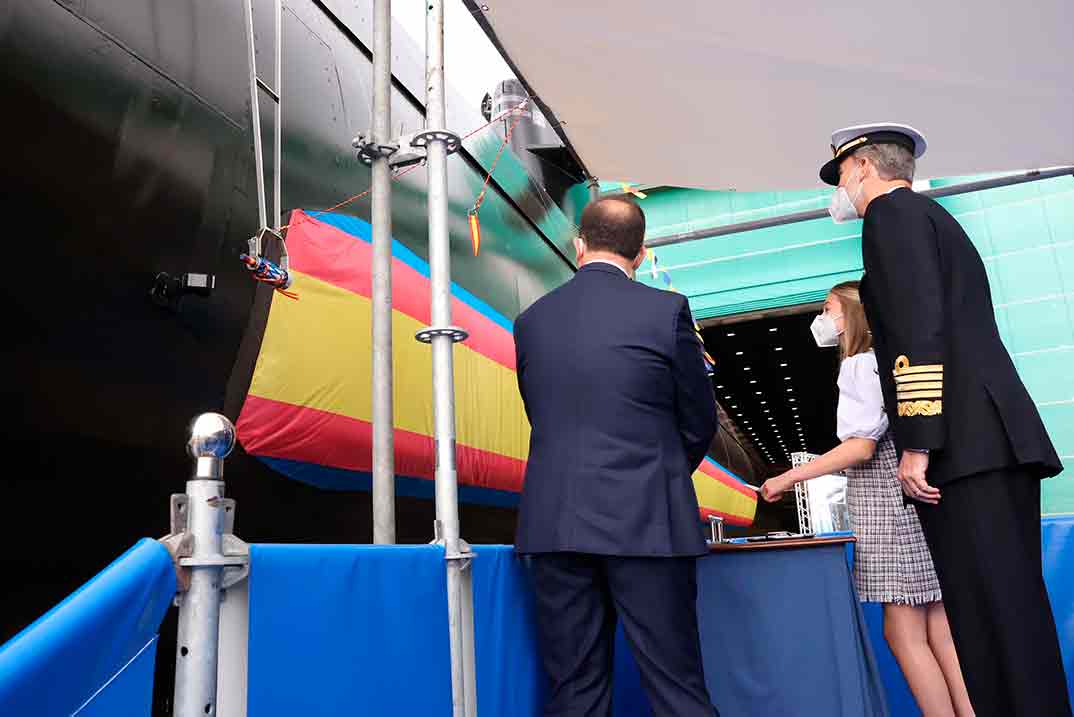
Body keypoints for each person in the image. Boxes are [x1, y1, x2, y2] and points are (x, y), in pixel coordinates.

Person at [816, 123, 1071, 716]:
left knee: (991, 621)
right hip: (989, 440)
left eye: (842, 177)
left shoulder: (890, 217)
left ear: (861, 168)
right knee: (1010, 617)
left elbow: (916, 331)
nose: (844, 191)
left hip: (964, 447)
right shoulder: (933, 218)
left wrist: (919, 442)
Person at [513, 196, 719, 716]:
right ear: (643, 252)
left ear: (577, 245)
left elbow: (540, 413)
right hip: (648, 521)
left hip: (556, 521)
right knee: (676, 687)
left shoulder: (532, 321)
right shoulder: (666, 311)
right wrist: (658, 473)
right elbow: (697, 421)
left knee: (576, 688)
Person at [760, 281, 974, 716]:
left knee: (903, 633)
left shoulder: (858, 366)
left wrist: (789, 478)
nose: (823, 320)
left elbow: (861, 446)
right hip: (919, 502)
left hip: (886, 508)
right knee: (942, 630)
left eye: (827, 309)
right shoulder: (894, 363)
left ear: (851, 316)